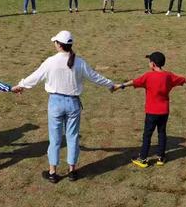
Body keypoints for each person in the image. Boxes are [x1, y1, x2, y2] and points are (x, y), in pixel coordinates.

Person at [12, 31, 115, 183]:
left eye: (55, 42)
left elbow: (35, 77)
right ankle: (72, 171)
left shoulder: (51, 61)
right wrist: (111, 84)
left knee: (55, 138)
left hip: (55, 103)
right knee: (72, 136)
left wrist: (20, 85)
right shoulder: (79, 62)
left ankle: (53, 172)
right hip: (73, 103)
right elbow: (94, 76)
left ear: (59, 45)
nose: (54, 44)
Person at [115, 52, 186, 168]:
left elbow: (133, 82)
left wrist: (120, 86)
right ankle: (161, 157)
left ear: (153, 64)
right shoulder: (168, 76)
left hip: (151, 112)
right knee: (162, 133)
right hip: (164, 111)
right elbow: (183, 80)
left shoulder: (148, 76)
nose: (149, 63)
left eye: (149, 61)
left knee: (147, 135)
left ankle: (143, 158)